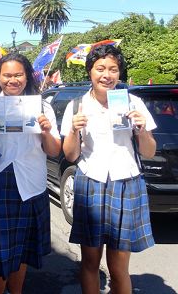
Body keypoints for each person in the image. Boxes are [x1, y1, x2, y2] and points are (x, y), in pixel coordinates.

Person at [61, 44, 157, 294]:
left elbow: (149, 152)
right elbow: (70, 154)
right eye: (100, 68)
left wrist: (142, 128)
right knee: (91, 262)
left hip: (126, 182)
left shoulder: (133, 103)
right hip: (90, 181)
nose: (107, 74)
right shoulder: (76, 106)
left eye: (113, 69)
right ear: (90, 72)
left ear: (119, 73)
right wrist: (74, 129)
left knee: (118, 266)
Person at [0, 53, 61, 294]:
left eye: (18, 74)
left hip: (31, 184)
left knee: (22, 250)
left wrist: (47, 132)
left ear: (27, 76)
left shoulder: (42, 106)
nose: (13, 80)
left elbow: (53, 150)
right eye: (7, 75)